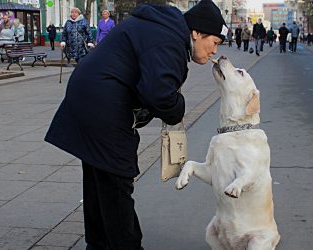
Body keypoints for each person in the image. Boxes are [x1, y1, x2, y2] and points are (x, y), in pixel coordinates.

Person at [44, 0, 227, 249]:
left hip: (88, 97)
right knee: (117, 183)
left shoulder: (162, 29)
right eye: (214, 42)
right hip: (103, 106)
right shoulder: (170, 39)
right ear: (196, 32)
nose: (214, 50)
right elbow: (160, 95)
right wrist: (179, 107)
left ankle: (99, 244)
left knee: (100, 183)